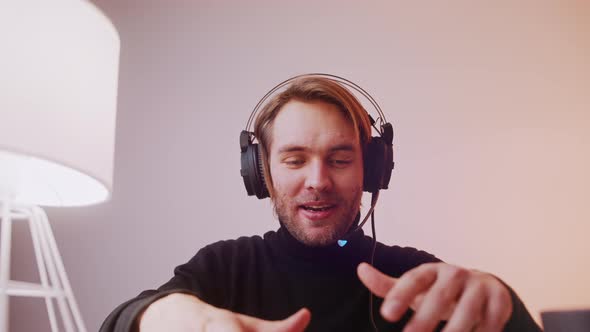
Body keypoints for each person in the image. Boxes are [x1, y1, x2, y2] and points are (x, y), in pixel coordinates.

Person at [100, 75, 542, 332]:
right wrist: (161, 317)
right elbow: (117, 324)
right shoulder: (225, 267)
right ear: (261, 172)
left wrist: (505, 307)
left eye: (340, 158)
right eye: (295, 159)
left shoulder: (415, 280)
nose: (318, 181)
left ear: (371, 170)